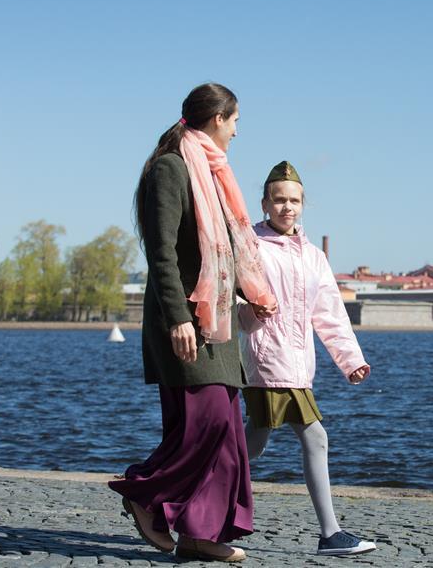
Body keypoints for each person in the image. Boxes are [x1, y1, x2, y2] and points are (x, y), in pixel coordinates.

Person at [109, 83, 276, 563]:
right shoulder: (171, 169)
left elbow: (222, 251)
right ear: (217, 118)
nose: (238, 132)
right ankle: (143, 494)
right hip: (183, 322)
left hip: (218, 324)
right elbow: (162, 253)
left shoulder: (215, 173)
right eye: (236, 121)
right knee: (202, 429)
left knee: (226, 434)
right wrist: (179, 318)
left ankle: (200, 534)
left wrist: (251, 293)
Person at [238, 161, 376, 556]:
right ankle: (330, 533)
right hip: (267, 361)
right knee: (315, 437)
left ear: (303, 205)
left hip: (298, 364)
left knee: (254, 444)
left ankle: (192, 501)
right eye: (279, 200)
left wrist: (350, 360)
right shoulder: (250, 244)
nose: (287, 207)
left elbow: (329, 312)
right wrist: (248, 313)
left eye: (294, 201)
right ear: (264, 203)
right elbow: (232, 296)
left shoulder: (313, 256)